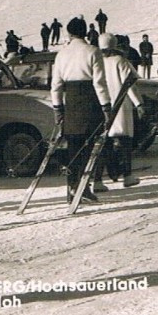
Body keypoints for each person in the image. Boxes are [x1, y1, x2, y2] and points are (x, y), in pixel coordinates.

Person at [50, 17, 112, 204]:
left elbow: (56, 85)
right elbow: (99, 83)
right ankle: (83, 188)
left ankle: (72, 188)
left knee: (73, 148)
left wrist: (58, 109)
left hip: (71, 104)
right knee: (88, 149)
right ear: (85, 32)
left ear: (69, 33)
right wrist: (106, 107)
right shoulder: (93, 51)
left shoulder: (61, 54)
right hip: (90, 103)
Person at [97, 33, 143, 189]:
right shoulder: (121, 61)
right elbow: (130, 85)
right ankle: (127, 175)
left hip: (103, 107)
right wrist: (139, 104)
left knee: (104, 145)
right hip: (121, 107)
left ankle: (98, 180)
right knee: (125, 143)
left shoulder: (97, 63)